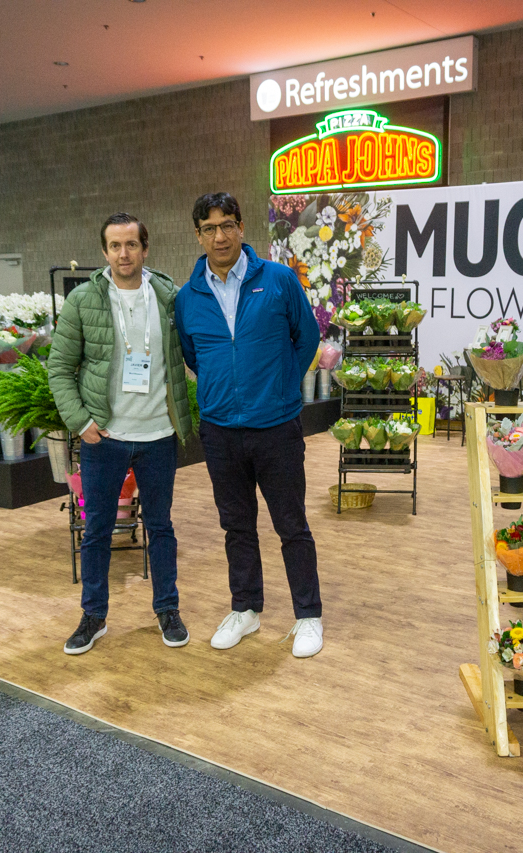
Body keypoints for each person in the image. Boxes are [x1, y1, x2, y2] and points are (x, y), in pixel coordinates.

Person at [174, 192, 324, 658]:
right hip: (220, 431)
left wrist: (280, 386)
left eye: (227, 225)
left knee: (291, 525)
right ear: (198, 236)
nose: (219, 236)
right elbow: (194, 355)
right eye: (209, 228)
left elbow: (307, 338)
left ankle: (308, 615)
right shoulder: (188, 297)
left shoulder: (278, 279)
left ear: (241, 227)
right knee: (236, 526)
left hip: (276, 427)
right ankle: (246, 609)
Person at [48, 212, 193, 654]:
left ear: (145, 249)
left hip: (158, 434)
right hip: (104, 438)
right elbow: (59, 368)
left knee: (161, 526)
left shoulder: (168, 296)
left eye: (131, 244)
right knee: (97, 530)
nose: (123, 253)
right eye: (115, 246)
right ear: (104, 251)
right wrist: (81, 422)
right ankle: (93, 616)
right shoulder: (83, 300)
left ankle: (167, 609)